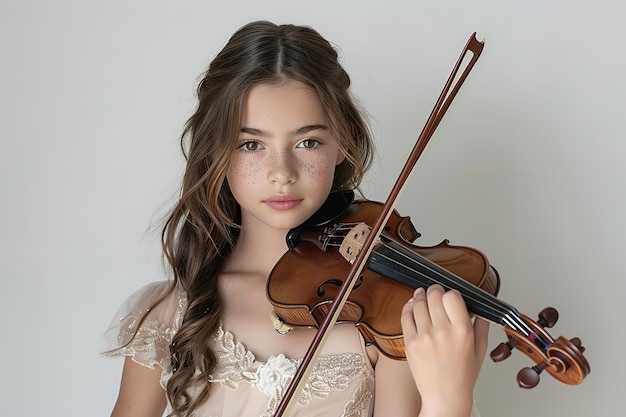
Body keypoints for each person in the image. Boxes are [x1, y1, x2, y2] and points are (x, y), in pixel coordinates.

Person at [104, 20, 489, 417]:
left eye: (308, 142)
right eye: (251, 144)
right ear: (215, 152)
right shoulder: (168, 313)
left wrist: (448, 402)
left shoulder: (384, 318)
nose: (282, 172)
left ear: (342, 143)